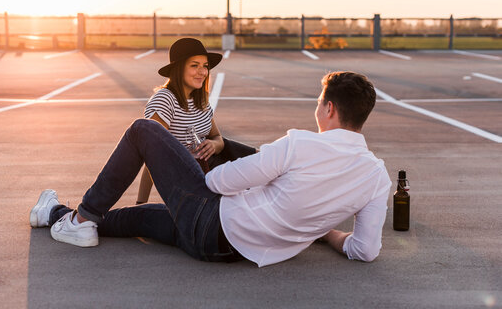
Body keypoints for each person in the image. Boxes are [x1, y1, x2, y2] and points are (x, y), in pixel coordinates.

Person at [30, 71, 391, 267]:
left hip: (212, 221)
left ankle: (80, 219)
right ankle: (55, 214)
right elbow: (364, 250)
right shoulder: (377, 177)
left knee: (145, 130)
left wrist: (195, 160)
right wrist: (325, 232)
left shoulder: (300, 143)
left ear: (329, 109)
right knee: (135, 219)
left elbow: (219, 181)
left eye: (318, 104)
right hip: (221, 250)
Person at [136, 37, 256, 204]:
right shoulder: (165, 99)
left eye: (205, 66)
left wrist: (213, 145)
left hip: (210, 168)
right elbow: (152, 157)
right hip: (187, 179)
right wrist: (141, 203)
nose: (202, 72)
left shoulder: (200, 99)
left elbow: (218, 138)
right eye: (194, 65)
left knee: (259, 161)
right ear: (178, 68)